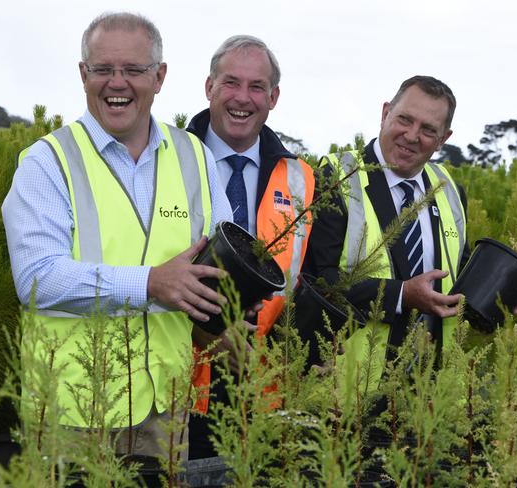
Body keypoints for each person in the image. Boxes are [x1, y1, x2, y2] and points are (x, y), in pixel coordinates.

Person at [1, 11, 233, 460]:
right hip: (70, 414)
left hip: (165, 409)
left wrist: (227, 319)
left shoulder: (195, 157)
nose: (117, 83)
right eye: (103, 70)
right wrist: (150, 283)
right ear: (83, 74)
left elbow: (217, 261)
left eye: (133, 70)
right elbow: (36, 279)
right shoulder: (47, 163)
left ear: (160, 76)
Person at [185, 35, 315, 459]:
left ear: (273, 97)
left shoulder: (301, 179)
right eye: (230, 83)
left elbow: (309, 277)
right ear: (209, 87)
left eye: (257, 87)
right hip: (179, 385)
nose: (243, 98)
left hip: (264, 392)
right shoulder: (167, 158)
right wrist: (208, 335)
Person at [300, 75, 470, 389]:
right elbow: (317, 280)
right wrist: (402, 295)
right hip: (348, 391)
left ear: (443, 138)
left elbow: (459, 275)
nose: (412, 135)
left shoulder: (450, 189)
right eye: (404, 119)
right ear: (385, 113)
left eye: (428, 130)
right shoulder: (335, 177)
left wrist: (498, 294)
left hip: (430, 394)